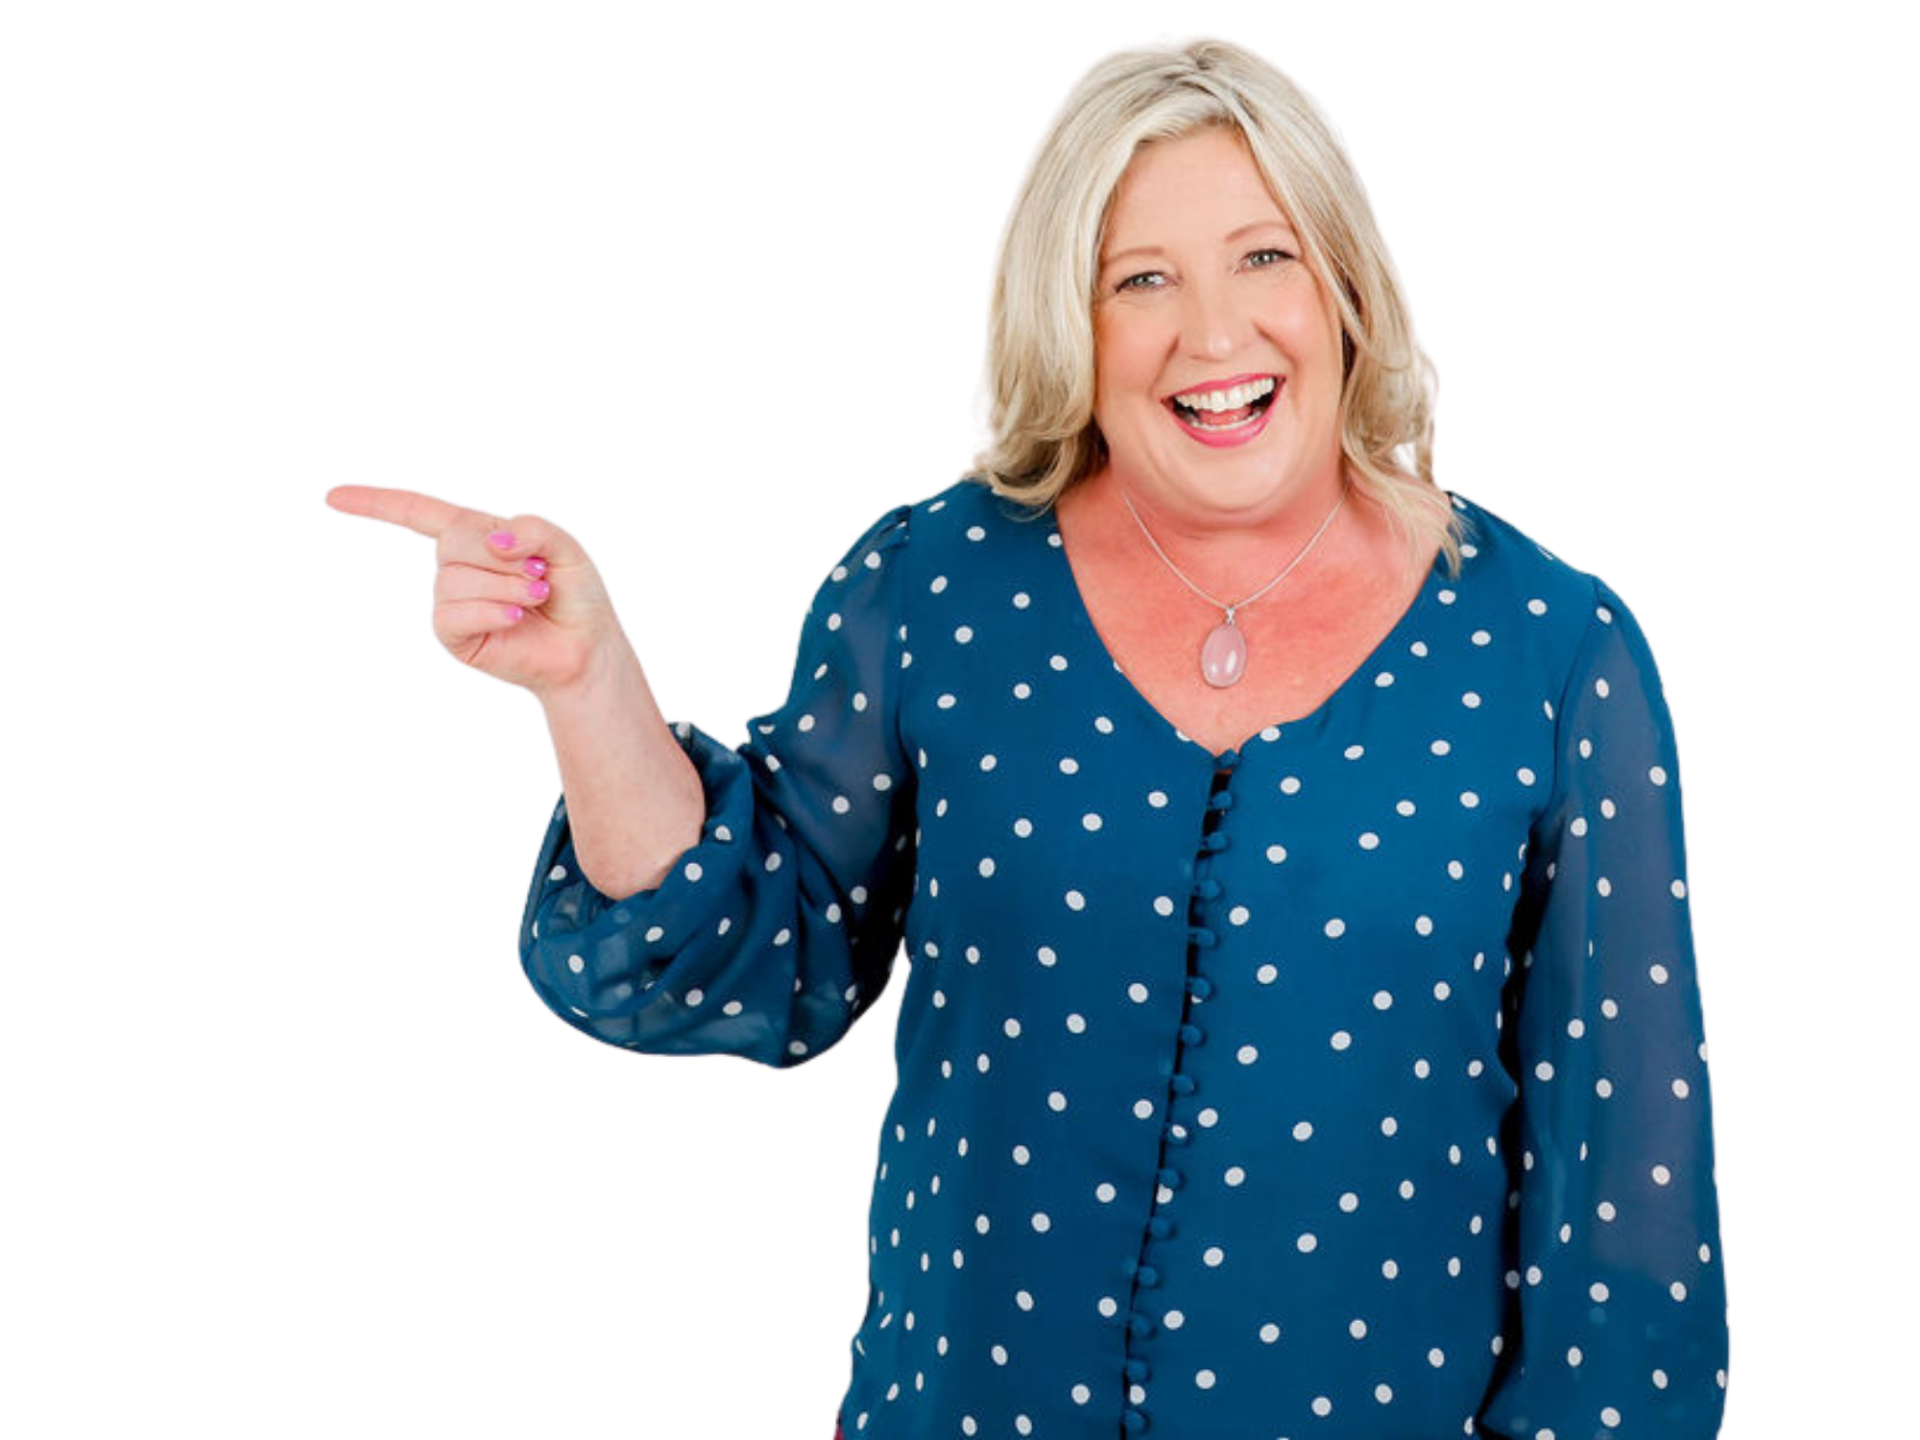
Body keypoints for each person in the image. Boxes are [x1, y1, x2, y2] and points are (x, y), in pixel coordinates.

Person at [324, 32, 1730, 1440]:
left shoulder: (1549, 648)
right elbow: (743, 952)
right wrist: (589, 685)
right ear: (1072, 317)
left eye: (1265, 256)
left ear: (1347, 287)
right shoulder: (934, 583)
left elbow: (1627, 1200)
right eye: (1140, 279)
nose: (1214, 337)